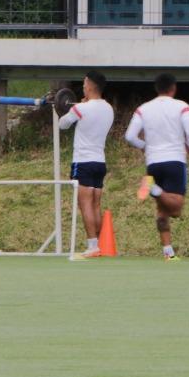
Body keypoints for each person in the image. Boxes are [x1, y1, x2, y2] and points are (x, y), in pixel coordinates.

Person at [126, 73, 189, 261]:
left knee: (162, 211)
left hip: (153, 162)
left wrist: (145, 147)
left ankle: (168, 252)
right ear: (173, 88)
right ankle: (155, 190)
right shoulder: (182, 107)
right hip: (175, 159)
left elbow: (130, 136)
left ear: (156, 88)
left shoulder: (143, 109)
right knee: (176, 208)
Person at [58, 71, 114, 259]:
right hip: (100, 161)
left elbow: (62, 124)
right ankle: (97, 244)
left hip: (82, 161)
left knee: (85, 205)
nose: (83, 87)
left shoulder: (81, 109)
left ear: (89, 86)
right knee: (95, 204)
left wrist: (76, 108)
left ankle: (92, 246)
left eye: (84, 84)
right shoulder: (108, 109)